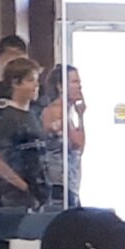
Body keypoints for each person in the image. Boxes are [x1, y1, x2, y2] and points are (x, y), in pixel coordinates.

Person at [0, 57, 46, 210]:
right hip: (11, 195)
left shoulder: (33, 114)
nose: (36, 85)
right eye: (30, 80)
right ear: (15, 83)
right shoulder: (6, 117)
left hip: (35, 188)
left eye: (36, 80)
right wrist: (23, 186)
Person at [37, 63, 86, 207]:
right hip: (58, 183)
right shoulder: (57, 110)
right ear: (60, 86)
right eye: (75, 82)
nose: (79, 87)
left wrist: (80, 116)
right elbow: (77, 143)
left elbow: (79, 148)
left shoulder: (67, 112)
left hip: (69, 182)